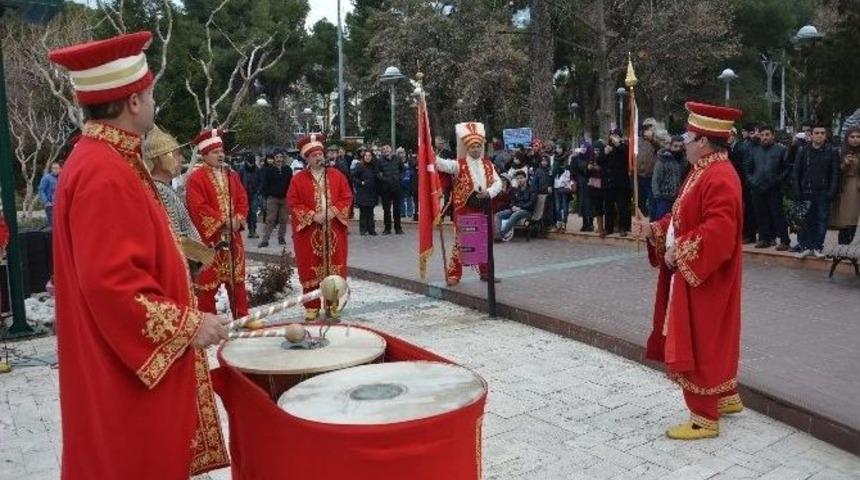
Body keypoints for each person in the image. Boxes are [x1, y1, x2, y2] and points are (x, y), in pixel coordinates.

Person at [48, 31, 228, 478]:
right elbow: (111, 284)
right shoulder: (104, 172)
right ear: (132, 101)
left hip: (121, 367)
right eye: (150, 94)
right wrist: (187, 324)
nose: (153, 103)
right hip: (126, 378)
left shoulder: (105, 159)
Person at [633, 101, 744, 440]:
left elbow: (719, 232)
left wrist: (678, 250)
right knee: (715, 336)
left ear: (705, 142)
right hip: (703, 275)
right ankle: (725, 395)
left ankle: (704, 418)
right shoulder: (703, 170)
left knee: (703, 339)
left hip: (707, 278)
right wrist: (653, 229)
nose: (684, 141)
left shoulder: (718, 176)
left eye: (689, 136)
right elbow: (682, 217)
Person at [287, 133, 353, 321]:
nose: (319, 157)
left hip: (334, 229)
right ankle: (311, 305)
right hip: (310, 231)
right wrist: (312, 216)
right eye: (314, 155)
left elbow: (346, 196)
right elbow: (293, 202)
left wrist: (333, 211)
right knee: (310, 267)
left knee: (334, 266)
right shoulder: (298, 179)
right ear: (307, 158)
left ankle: (332, 304)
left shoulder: (337, 175)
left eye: (320, 154)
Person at [185, 128, 250, 318]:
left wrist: (238, 219)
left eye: (221, 151)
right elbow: (198, 207)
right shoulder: (195, 178)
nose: (220, 155)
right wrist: (223, 222)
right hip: (209, 239)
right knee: (207, 281)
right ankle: (209, 319)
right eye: (215, 152)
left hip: (232, 237)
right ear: (204, 155)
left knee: (236, 278)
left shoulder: (232, 175)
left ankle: (242, 316)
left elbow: (242, 199)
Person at [434, 122, 502, 285]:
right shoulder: (459, 164)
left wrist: (488, 193)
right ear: (467, 148)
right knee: (461, 242)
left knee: (484, 242)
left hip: (484, 208)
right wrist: (429, 154)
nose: (476, 149)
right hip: (465, 210)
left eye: (478, 146)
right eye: (472, 147)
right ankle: (454, 275)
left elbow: (498, 183)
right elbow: (443, 165)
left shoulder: (488, 164)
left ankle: (486, 272)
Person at [792, 124, 841, 257]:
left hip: (823, 193)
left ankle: (817, 247)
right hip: (805, 192)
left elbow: (835, 174)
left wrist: (831, 192)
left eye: (822, 133)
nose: (819, 135)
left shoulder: (832, 151)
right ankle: (805, 246)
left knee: (821, 221)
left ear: (826, 136)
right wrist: (797, 190)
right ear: (811, 135)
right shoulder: (803, 151)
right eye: (817, 133)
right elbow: (796, 172)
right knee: (804, 221)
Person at [745, 125, 791, 250]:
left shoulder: (781, 150)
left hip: (774, 188)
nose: (765, 137)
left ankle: (784, 240)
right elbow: (748, 168)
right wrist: (752, 181)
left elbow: (787, 168)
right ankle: (764, 239)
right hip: (757, 187)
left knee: (777, 215)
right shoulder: (754, 150)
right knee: (760, 214)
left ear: (773, 135)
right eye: (762, 135)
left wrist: (778, 180)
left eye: (767, 135)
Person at [830, 127, 860, 244]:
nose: (855, 139)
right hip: (842, 186)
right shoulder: (841, 151)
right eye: (852, 137)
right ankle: (842, 242)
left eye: (858, 137)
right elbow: (835, 170)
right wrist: (845, 164)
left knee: (852, 215)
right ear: (847, 138)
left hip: (855, 186)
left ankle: (847, 240)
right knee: (842, 217)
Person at [257, 151, 292, 248]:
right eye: (277, 157)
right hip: (272, 198)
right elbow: (264, 183)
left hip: (284, 198)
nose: (279, 159)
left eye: (281, 157)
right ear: (274, 158)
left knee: (283, 219)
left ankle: (281, 238)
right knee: (270, 219)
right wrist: (266, 194)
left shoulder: (288, 169)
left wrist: (289, 195)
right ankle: (265, 240)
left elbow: (291, 183)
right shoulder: (269, 170)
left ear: (283, 158)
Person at [601, 130, 632, 237]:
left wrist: (618, 144)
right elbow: (599, 161)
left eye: (615, 136)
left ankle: (623, 227)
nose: (612, 138)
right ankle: (608, 228)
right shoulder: (607, 148)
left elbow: (627, 156)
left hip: (620, 183)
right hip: (608, 182)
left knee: (622, 207)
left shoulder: (623, 147)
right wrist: (605, 153)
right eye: (611, 136)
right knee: (608, 207)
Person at [651, 135, 688, 220]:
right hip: (664, 197)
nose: (678, 149)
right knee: (661, 220)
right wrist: (657, 195)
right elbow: (656, 178)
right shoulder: (663, 160)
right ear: (671, 146)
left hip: (678, 197)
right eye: (675, 146)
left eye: (680, 146)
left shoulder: (684, 160)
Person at [496, 170, 535, 241]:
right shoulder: (516, 190)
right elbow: (512, 202)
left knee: (516, 214)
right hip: (516, 210)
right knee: (499, 214)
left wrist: (520, 207)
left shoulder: (531, 189)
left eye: (521, 178)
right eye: (517, 178)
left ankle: (501, 235)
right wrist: (513, 206)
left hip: (527, 211)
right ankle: (497, 233)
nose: (519, 180)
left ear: (525, 178)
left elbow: (531, 203)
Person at [376, 144, 405, 234]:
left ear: (391, 150)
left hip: (397, 187)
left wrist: (399, 178)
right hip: (385, 188)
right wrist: (384, 179)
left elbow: (403, 170)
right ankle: (387, 228)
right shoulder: (380, 161)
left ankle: (398, 228)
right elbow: (377, 173)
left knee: (397, 209)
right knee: (386, 209)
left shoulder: (397, 159)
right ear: (382, 152)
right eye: (384, 150)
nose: (386, 151)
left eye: (387, 149)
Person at [352, 149, 380, 236]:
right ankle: (363, 229)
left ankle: (371, 229)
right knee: (363, 211)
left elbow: (377, 177)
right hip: (363, 191)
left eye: (369, 156)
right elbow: (354, 177)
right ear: (363, 157)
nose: (367, 157)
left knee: (371, 211)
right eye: (366, 156)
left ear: (372, 157)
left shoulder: (374, 166)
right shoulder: (360, 166)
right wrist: (360, 182)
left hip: (372, 192)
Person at [238, 151, 261, 238]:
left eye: (252, 163)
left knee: (253, 211)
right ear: (246, 161)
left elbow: (260, 181)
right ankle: (250, 230)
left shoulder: (257, 170)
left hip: (254, 193)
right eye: (249, 163)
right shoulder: (241, 170)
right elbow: (238, 182)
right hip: (244, 194)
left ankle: (253, 230)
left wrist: (258, 191)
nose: (251, 165)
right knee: (247, 212)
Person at [551, 157, 573, 232]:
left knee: (565, 208)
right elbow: (552, 177)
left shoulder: (567, 171)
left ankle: (564, 223)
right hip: (556, 189)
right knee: (557, 208)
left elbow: (568, 180)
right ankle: (559, 223)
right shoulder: (555, 171)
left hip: (564, 190)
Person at [38, 161, 61, 228]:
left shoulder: (62, 178)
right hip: (50, 205)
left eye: (56, 168)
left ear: (60, 169)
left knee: (59, 225)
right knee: (53, 225)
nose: (55, 170)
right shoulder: (46, 178)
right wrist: (46, 202)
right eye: (53, 168)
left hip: (59, 205)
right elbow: (41, 190)